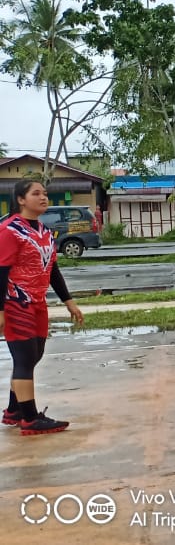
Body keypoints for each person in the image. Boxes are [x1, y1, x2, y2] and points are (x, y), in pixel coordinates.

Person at [0, 180, 85, 435]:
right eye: (36, 193)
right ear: (21, 200)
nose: (43, 197)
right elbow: (1, 272)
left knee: (33, 355)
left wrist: (68, 301)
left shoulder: (45, 232)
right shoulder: (9, 230)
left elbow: (53, 270)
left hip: (38, 303)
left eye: (45, 193)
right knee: (24, 358)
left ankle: (14, 410)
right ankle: (30, 418)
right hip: (16, 302)